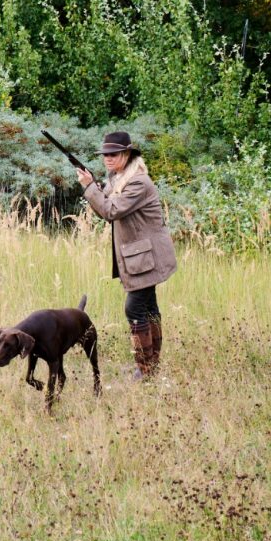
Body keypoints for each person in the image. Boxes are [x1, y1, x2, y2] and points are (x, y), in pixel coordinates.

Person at [75, 131, 176, 380]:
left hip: (147, 257)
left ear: (127, 154)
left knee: (135, 309)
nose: (108, 158)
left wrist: (89, 187)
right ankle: (150, 367)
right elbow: (106, 205)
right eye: (105, 155)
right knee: (148, 307)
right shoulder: (118, 178)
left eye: (113, 154)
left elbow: (111, 210)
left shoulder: (138, 181)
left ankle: (145, 370)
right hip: (142, 256)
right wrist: (95, 187)